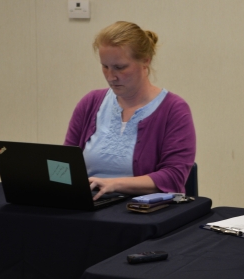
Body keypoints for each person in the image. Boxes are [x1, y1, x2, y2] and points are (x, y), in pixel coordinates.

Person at [65, 21, 195, 200]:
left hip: (140, 211)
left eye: (120, 67)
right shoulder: (90, 102)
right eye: (105, 66)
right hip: (89, 205)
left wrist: (115, 184)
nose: (111, 76)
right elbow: (66, 164)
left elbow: (174, 177)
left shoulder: (173, 109)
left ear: (145, 61)